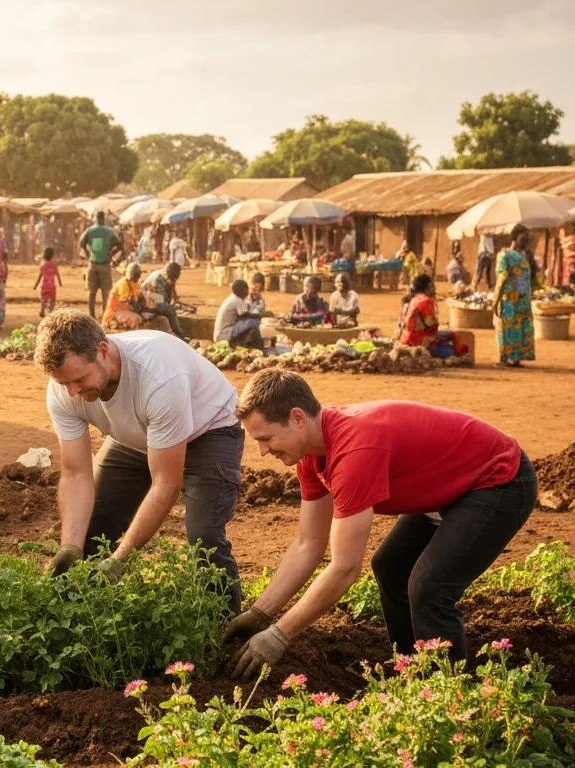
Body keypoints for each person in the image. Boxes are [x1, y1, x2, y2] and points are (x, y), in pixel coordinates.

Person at [224, 370, 535, 677]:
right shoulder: (310, 454)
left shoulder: (354, 451)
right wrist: (260, 613)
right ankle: (410, 670)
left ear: (297, 418)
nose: (263, 451)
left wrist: (279, 635)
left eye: (265, 438)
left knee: (429, 586)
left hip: (498, 480)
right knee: (391, 567)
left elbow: (345, 569)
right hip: (452, 487)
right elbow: (309, 544)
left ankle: (447, 693)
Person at [36, 310, 245, 612]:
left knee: (204, 536)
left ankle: (226, 630)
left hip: (209, 430)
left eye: (79, 380)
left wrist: (120, 558)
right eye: (63, 383)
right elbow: (75, 473)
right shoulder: (64, 389)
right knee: (90, 529)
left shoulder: (159, 376)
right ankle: (86, 618)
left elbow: (165, 484)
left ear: (103, 351)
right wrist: (70, 546)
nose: (72, 392)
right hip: (136, 435)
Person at [493, 224, 536, 368]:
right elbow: (502, 278)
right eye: (522, 238)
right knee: (508, 327)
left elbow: (528, 278)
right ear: (514, 238)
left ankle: (514, 357)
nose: (524, 242)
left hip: (522, 299)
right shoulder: (505, 255)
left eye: (526, 239)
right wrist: (497, 298)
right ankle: (507, 357)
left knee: (517, 328)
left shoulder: (525, 256)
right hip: (509, 299)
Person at [80, 212, 123, 319]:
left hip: (92, 264)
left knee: (91, 292)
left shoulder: (90, 231)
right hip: (105, 265)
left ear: (95, 219)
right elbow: (119, 245)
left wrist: (88, 254)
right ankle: (105, 316)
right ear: (104, 219)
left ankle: (91, 316)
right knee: (106, 292)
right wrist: (110, 255)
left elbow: (81, 242)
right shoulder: (109, 231)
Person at [142, 262, 188, 340]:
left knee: (170, 307)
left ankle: (177, 333)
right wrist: (172, 306)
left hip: (155, 299)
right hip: (146, 303)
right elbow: (161, 300)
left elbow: (172, 292)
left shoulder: (168, 276)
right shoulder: (157, 280)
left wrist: (175, 300)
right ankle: (179, 333)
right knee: (170, 310)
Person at [215, 279, 265, 349]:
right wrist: (259, 315)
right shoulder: (237, 300)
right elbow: (244, 314)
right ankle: (260, 346)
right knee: (253, 321)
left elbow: (248, 308)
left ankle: (251, 343)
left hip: (222, 332)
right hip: (225, 333)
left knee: (251, 322)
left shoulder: (233, 298)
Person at [103, 262, 149, 331]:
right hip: (115, 311)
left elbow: (139, 297)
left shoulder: (134, 283)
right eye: (138, 275)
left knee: (141, 317)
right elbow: (124, 303)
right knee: (135, 319)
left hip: (124, 310)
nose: (139, 277)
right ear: (133, 276)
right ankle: (133, 334)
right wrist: (136, 308)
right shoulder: (123, 284)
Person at [33, 247, 63, 317]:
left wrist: (36, 285)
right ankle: (51, 312)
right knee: (52, 299)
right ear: (52, 256)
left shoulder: (43, 265)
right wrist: (60, 283)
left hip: (44, 285)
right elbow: (58, 275)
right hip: (52, 286)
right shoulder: (54, 265)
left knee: (44, 299)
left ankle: (42, 311)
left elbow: (40, 276)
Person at [558, 224, 575, 290]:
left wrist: (569, 254)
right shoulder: (564, 240)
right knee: (566, 278)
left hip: (571, 261)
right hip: (565, 262)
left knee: (571, 277)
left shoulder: (574, 239)